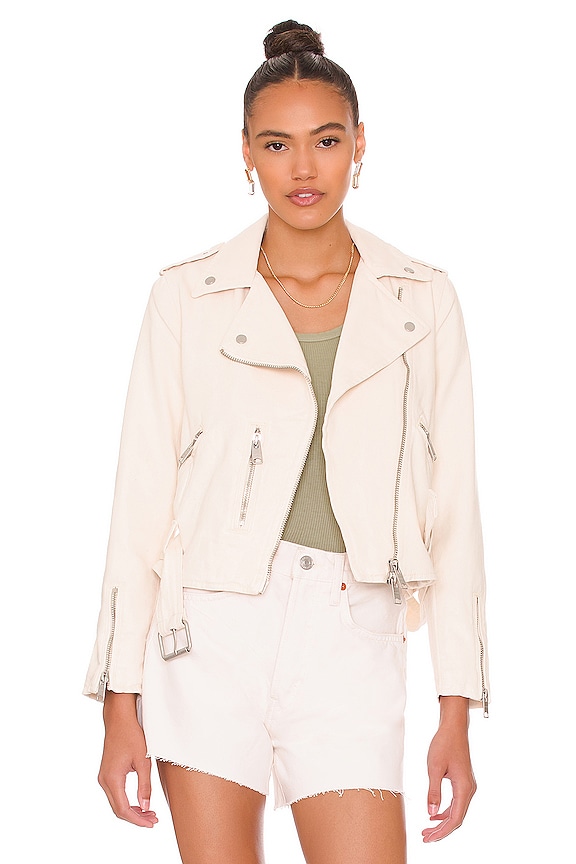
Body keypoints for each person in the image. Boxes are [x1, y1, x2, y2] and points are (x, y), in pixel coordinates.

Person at [84, 20, 489, 864]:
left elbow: (454, 516)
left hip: (354, 634)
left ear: (360, 144)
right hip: (209, 635)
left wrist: (457, 705)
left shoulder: (423, 300)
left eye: (326, 140)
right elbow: (140, 502)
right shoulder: (187, 298)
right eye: (277, 144)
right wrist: (119, 701)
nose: (303, 168)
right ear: (246, 152)